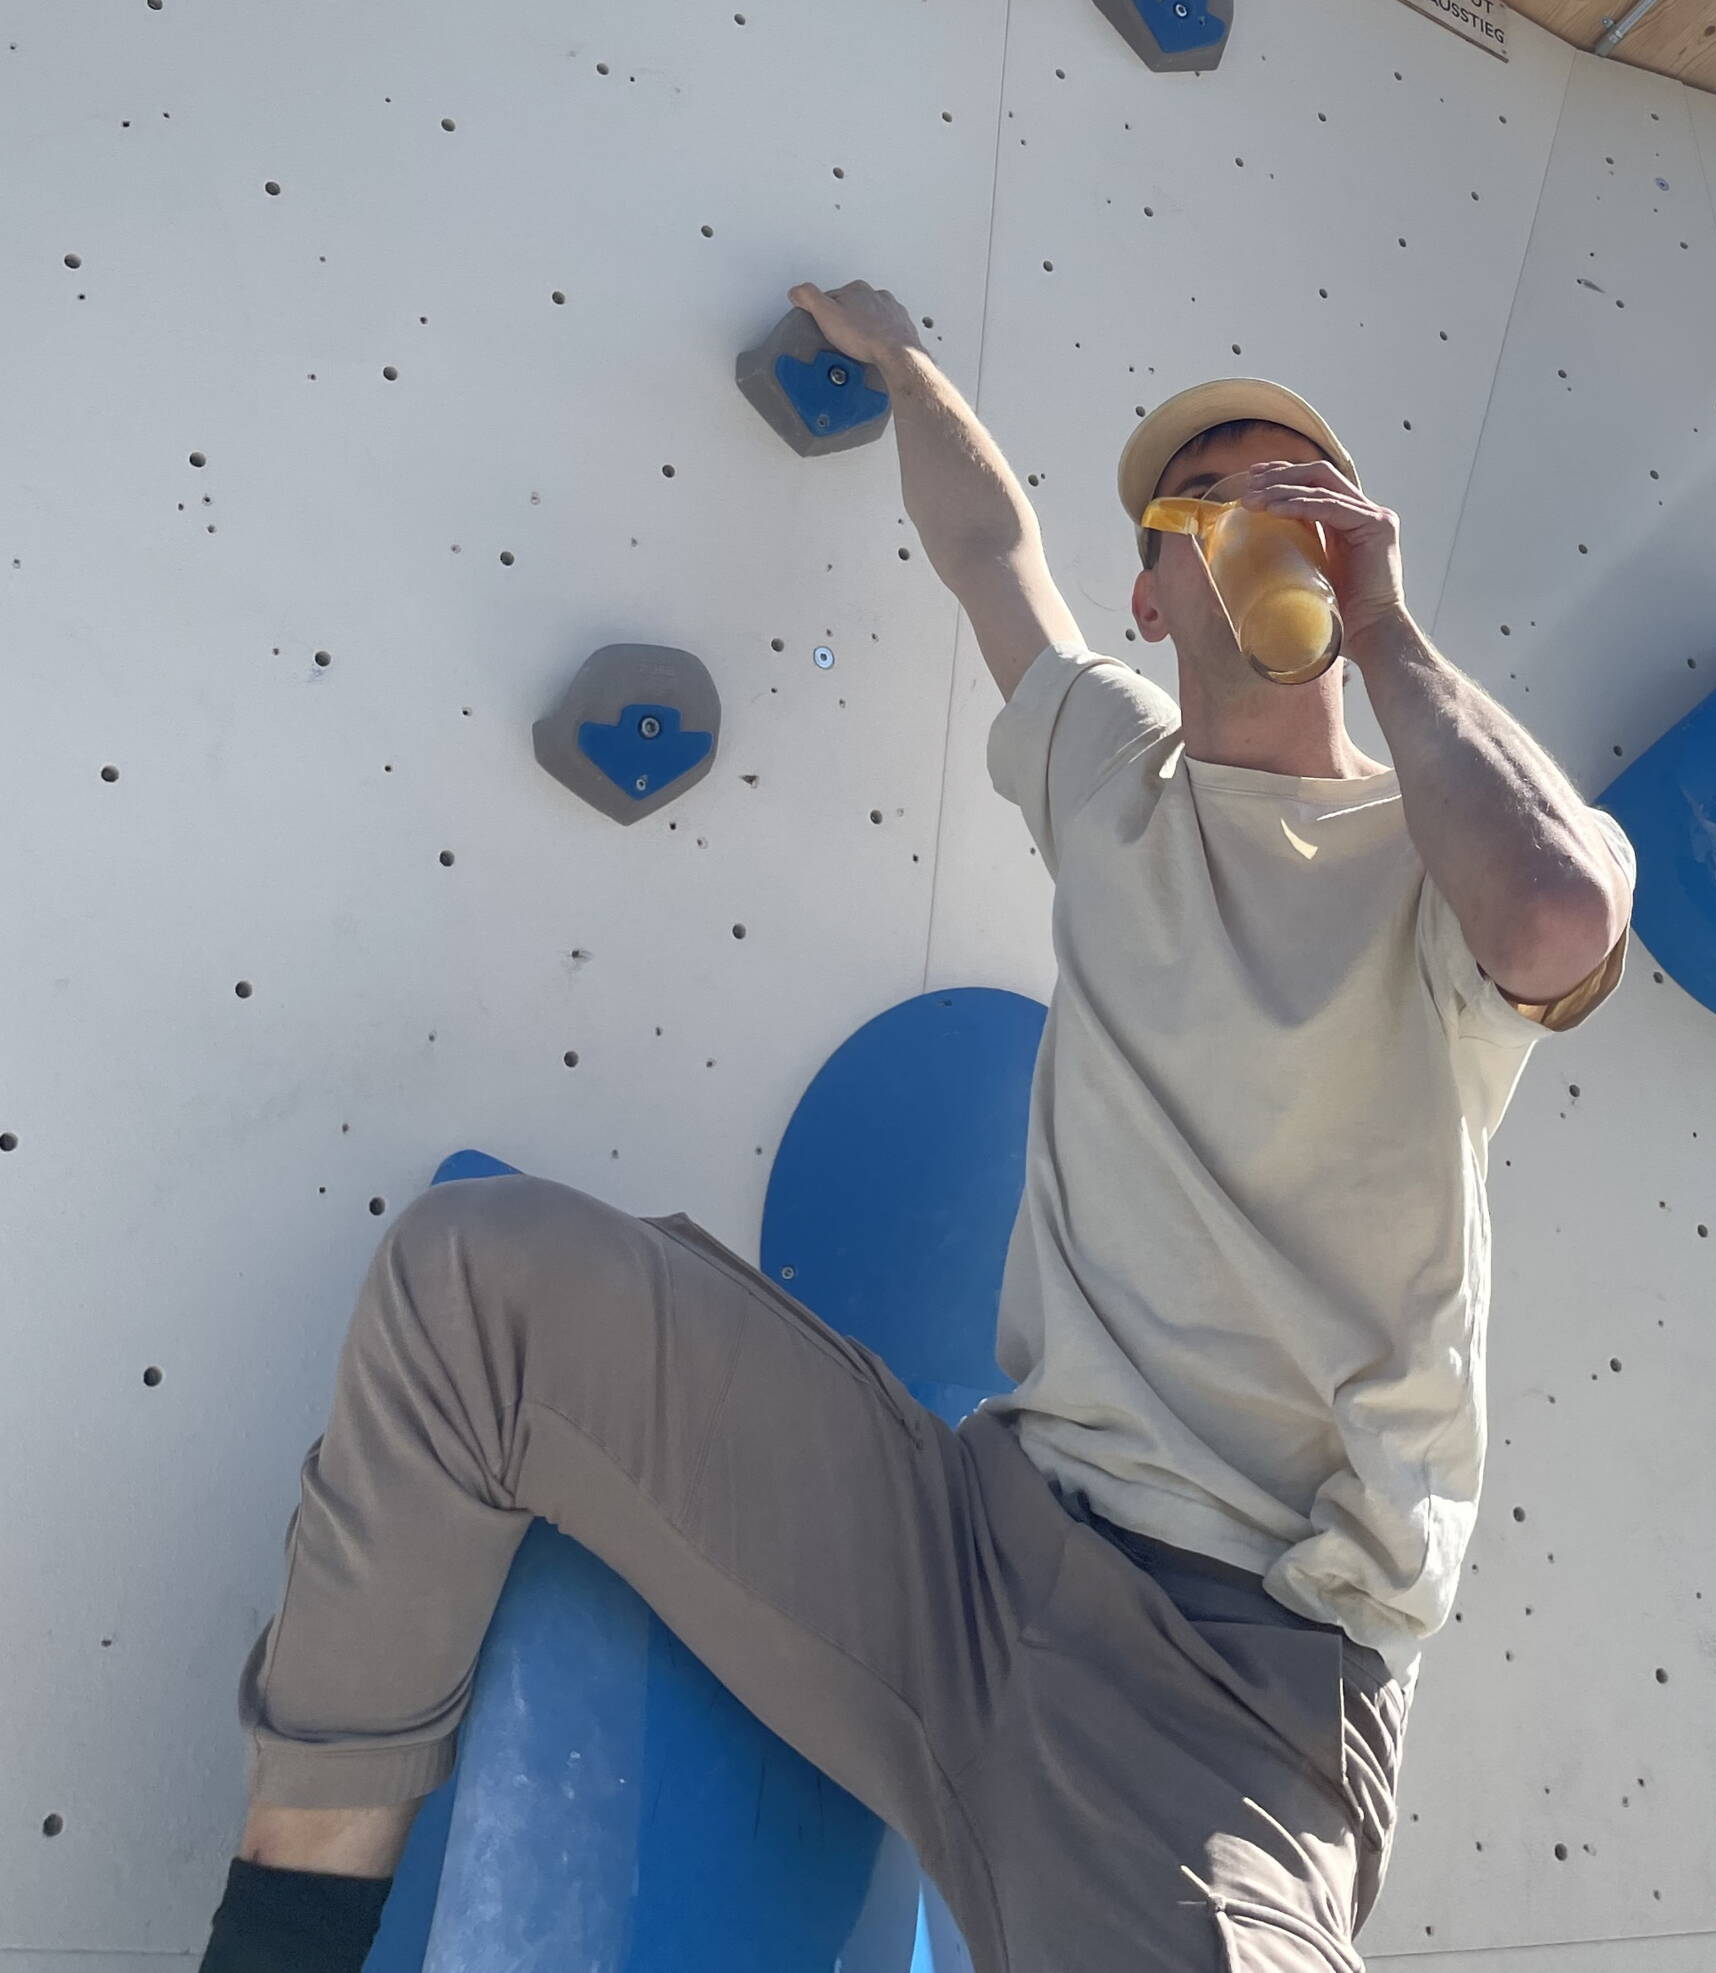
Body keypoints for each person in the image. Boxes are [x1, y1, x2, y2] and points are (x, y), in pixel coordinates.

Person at [199, 282, 1635, 1973]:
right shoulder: (1113, 772)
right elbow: (987, 549)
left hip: (1235, 1686)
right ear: (1155, 586)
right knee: (476, 1283)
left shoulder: (1448, 850)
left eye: (1300, 489)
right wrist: (901, 363)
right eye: (1214, 497)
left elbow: (1555, 920)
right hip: (968, 1540)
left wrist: (1384, 629)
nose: (1266, 515)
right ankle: (278, 1943)